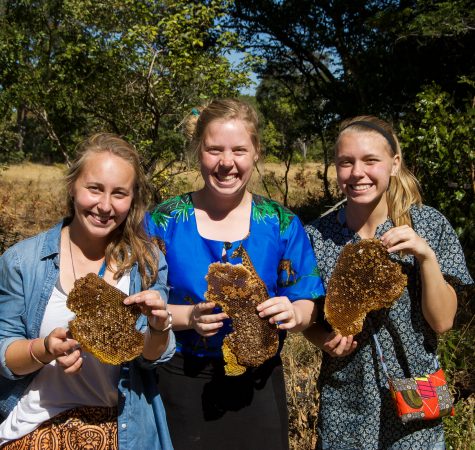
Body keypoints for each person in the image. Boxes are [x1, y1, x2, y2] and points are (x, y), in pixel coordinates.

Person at [145, 98, 325, 450]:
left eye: (239, 150)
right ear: (198, 152)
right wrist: (187, 317)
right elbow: (138, 303)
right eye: (214, 150)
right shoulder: (163, 221)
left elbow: (308, 299)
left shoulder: (280, 221)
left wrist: (295, 313)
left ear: (256, 152)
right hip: (181, 380)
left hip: (257, 382)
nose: (227, 163)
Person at [304, 116, 473, 449]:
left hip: (418, 385)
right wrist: (322, 339)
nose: (357, 173)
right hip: (346, 396)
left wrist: (425, 256)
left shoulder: (428, 223)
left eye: (371, 161)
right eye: (345, 162)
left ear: (394, 164)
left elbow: (442, 322)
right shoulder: (316, 237)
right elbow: (307, 315)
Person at [0, 133, 175, 449]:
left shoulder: (147, 262)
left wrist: (159, 326)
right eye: (94, 188)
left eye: (119, 193)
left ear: (133, 198)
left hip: (121, 431)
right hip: (32, 428)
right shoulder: (22, 262)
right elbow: (5, 355)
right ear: (72, 186)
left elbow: (149, 358)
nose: (105, 205)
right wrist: (44, 350)